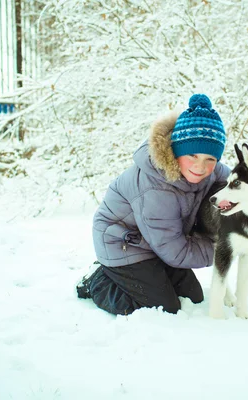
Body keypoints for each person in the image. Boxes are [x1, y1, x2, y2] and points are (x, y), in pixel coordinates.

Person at [76, 94, 230, 315]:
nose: (200, 166)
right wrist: (225, 249)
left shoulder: (209, 170)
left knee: (193, 297)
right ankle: (97, 280)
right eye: (192, 155)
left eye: (210, 159)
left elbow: (238, 184)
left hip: (157, 242)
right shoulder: (156, 189)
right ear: (176, 150)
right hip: (123, 243)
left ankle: (147, 276)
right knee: (165, 308)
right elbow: (175, 253)